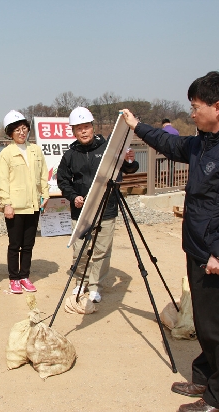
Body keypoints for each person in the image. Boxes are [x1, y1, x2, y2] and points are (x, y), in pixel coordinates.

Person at [121, 71, 219, 412]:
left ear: (217, 107)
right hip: (198, 248)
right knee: (204, 322)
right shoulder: (203, 142)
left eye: (196, 106)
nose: (192, 112)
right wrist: (138, 127)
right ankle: (204, 376)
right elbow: (171, 143)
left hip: (217, 256)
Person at [57, 107, 138, 303]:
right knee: (80, 250)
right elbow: (63, 181)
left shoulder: (108, 147)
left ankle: (95, 286)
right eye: (79, 128)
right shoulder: (70, 154)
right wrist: (73, 196)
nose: (83, 131)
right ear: (73, 132)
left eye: (86, 127)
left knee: (101, 250)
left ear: (93, 127)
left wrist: (129, 160)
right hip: (81, 210)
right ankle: (80, 282)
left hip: (107, 208)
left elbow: (129, 168)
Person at [0, 110, 49, 294]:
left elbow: (43, 174)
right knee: (14, 244)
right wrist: (7, 204)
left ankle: (24, 275)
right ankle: (13, 278)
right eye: (17, 129)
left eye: (24, 128)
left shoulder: (35, 150)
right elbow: (3, 181)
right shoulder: (6, 154)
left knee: (28, 244)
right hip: (16, 207)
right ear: (10, 133)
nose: (22, 132)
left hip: (34, 204)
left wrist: (45, 195)